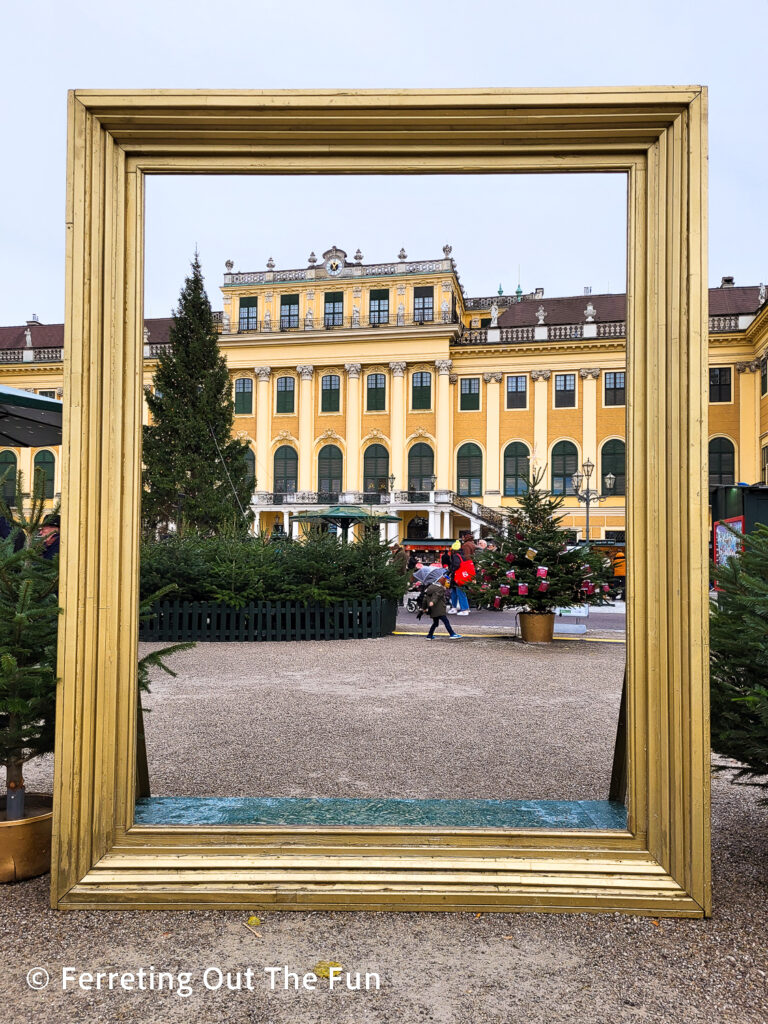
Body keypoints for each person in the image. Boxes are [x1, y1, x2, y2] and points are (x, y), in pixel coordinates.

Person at [449, 539, 470, 615]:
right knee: (456, 592)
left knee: (459, 592)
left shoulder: (455, 556)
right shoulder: (462, 556)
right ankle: (456, 607)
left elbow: (456, 565)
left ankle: (464, 609)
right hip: (461, 577)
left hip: (457, 577)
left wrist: (451, 571)